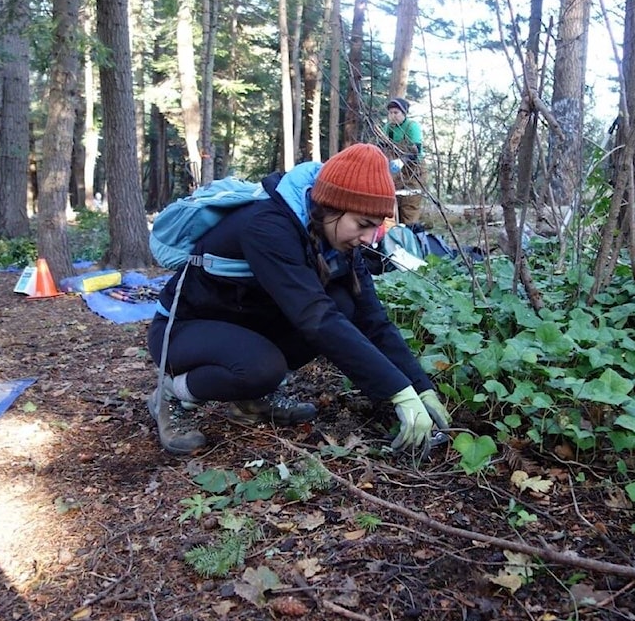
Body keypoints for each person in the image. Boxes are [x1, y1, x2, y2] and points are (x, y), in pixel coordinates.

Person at [146, 143, 451, 456]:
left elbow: (373, 319)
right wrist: (398, 393)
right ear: (333, 206)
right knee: (260, 367)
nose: (369, 239)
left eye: (375, 228)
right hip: (184, 329)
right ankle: (171, 395)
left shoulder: (335, 240)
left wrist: (420, 387)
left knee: (345, 304)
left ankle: (250, 399)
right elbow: (314, 317)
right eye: (363, 225)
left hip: (244, 324)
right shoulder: (267, 226)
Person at [383, 98, 426, 226]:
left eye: (396, 112)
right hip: (395, 173)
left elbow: (416, 151)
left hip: (413, 172)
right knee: (392, 207)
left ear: (404, 113)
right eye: (390, 113)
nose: (392, 116)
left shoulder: (412, 127)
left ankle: (410, 237)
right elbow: (382, 146)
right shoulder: (387, 128)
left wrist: (402, 161)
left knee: (409, 208)